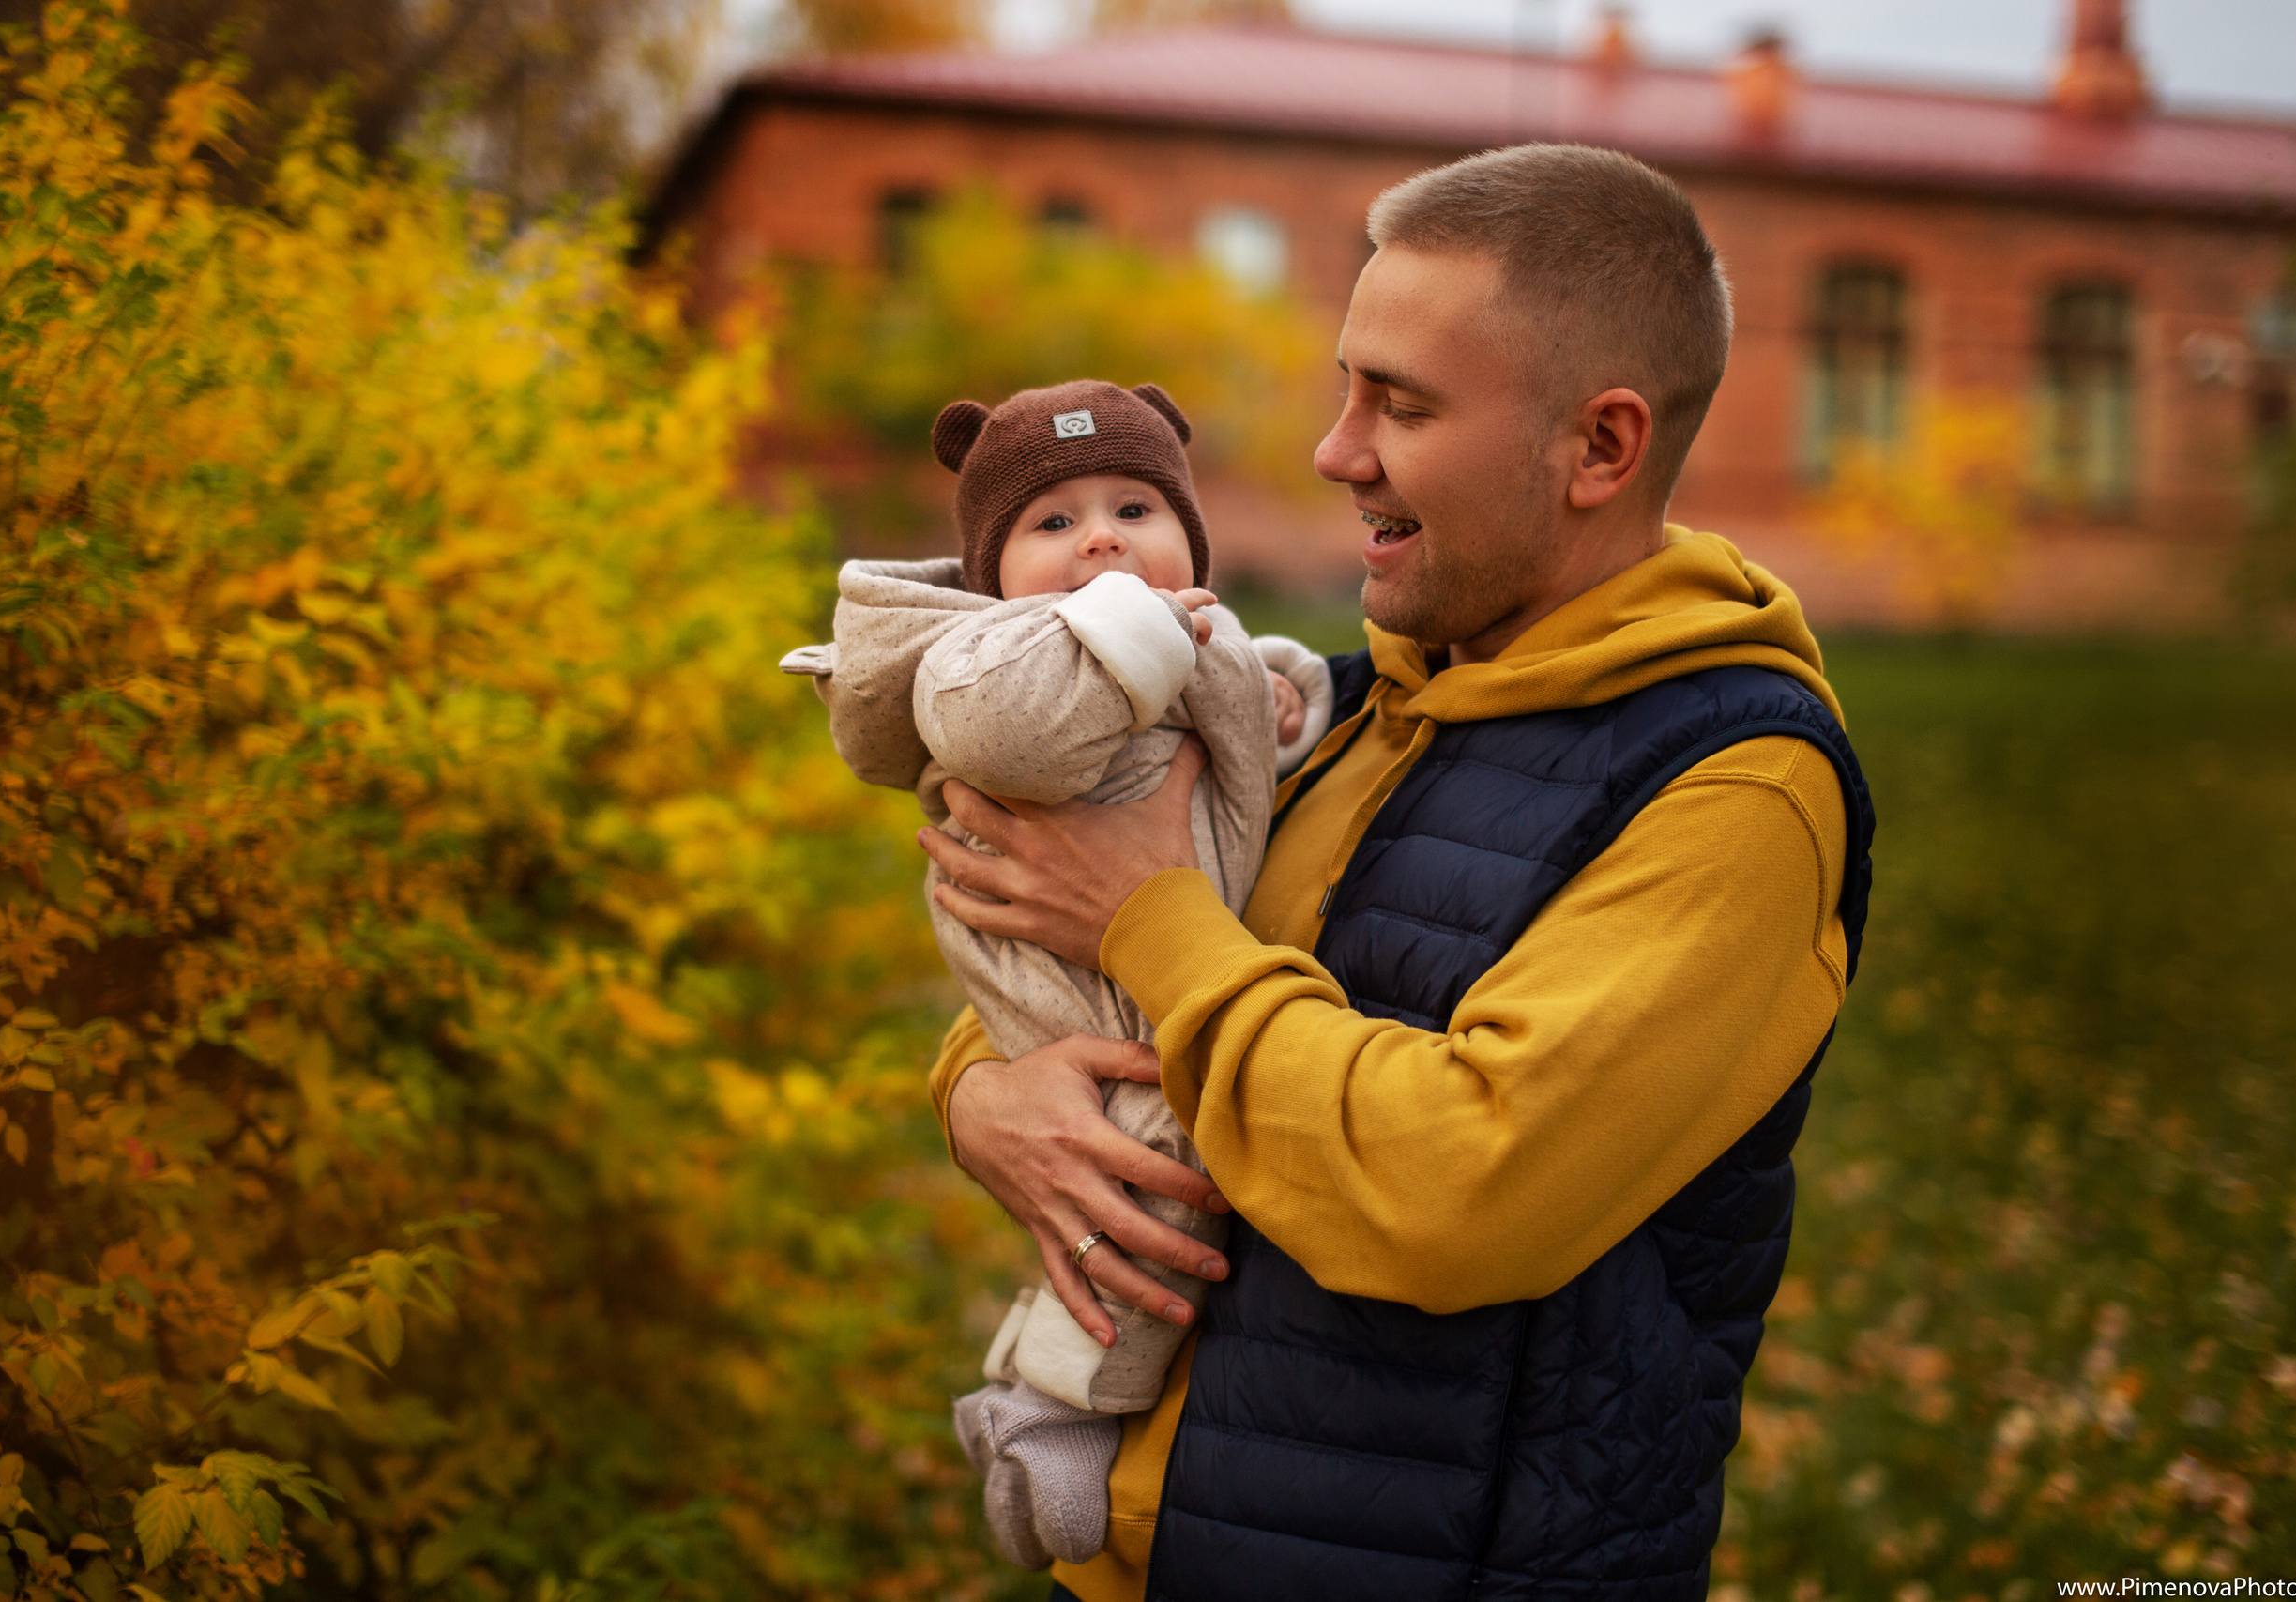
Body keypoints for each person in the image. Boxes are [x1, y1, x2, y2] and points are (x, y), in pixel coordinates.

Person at [918, 145, 1878, 1601]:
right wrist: (979, 1094)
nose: (1335, 446)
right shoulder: (1351, 705)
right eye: (1347, 383)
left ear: (1600, 448)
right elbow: (1095, 957)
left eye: (1402, 404)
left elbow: (1453, 1183)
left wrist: (1148, 913)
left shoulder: (1737, 787)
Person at [779, 378, 1332, 1571]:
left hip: (1146, 958)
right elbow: (1010, 740)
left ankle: (1046, 1391)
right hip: (1063, 985)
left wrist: (1281, 696)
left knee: (1155, 1165)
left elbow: (1223, 716)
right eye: (1052, 522)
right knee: (1148, 1176)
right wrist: (1144, 627)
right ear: (991, 573)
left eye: (1134, 506)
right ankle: (1058, 1404)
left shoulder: (1173, 629)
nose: (1099, 539)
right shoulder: (995, 654)